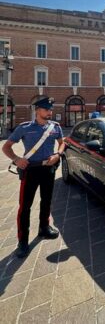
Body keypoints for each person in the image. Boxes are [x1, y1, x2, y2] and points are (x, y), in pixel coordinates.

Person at [2, 97, 65, 258]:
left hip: (48, 169)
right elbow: (6, 147)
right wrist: (16, 159)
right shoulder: (24, 128)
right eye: (46, 109)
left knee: (46, 200)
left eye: (50, 109)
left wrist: (57, 155)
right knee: (25, 206)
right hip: (30, 170)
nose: (49, 112)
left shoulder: (55, 127)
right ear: (36, 110)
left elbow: (62, 142)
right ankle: (23, 240)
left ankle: (44, 227)